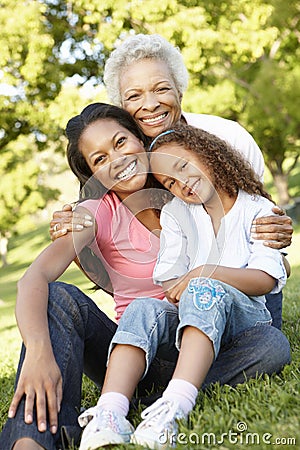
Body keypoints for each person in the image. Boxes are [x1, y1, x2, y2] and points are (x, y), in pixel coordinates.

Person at [52, 33, 293, 329]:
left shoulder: (229, 139)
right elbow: (125, 280)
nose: (150, 105)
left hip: (243, 295)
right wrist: (75, 235)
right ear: (121, 107)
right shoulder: (127, 167)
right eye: (134, 95)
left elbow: (270, 248)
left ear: (180, 90)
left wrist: (274, 232)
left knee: (264, 338)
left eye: (161, 89)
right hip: (173, 308)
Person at [76, 124, 287, 450]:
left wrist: (205, 273)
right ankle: (111, 412)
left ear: (210, 154)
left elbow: (265, 279)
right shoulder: (176, 213)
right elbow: (171, 280)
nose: (181, 183)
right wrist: (187, 284)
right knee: (144, 307)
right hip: (192, 319)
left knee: (268, 344)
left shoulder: (257, 210)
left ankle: (173, 406)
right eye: (170, 182)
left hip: (243, 323)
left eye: (183, 168)